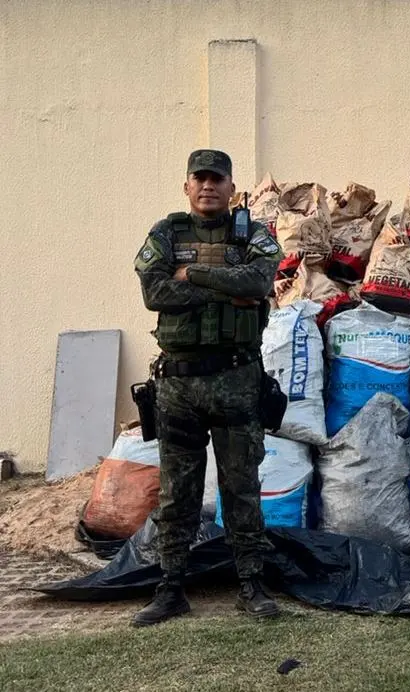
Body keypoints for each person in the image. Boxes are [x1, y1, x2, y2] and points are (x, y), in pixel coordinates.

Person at [132, 149, 283, 626]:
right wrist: (225, 287)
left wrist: (193, 273)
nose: (208, 186)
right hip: (178, 386)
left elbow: (260, 281)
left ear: (231, 187)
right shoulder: (167, 232)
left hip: (238, 380)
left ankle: (250, 583)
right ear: (187, 186)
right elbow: (155, 292)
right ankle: (171, 586)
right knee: (177, 493)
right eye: (199, 178)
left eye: (217, 179)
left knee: (242, 487)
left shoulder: (252, 234)